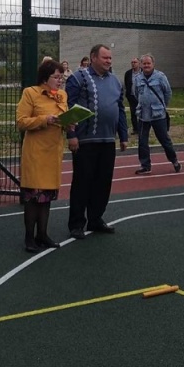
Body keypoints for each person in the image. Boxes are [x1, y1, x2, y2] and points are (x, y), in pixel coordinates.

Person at [65, 44, 129, 238]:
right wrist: (71, 135)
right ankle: (76, 223)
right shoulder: (78, 78)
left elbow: (120, 109)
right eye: (105, 58)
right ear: (93, 57)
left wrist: (123, 136)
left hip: (108, 140)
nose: (109, 61)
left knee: (103, 182)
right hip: (85, 141)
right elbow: (69, 107)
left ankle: (95, 219)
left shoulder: (116, 81)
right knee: (82, 183)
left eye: (110, 58)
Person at [16, 59, 68, 253]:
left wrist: (69, 123)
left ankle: (43, 234)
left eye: (61, 77)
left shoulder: (62, 95)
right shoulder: (30, 93)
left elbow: (64, 117)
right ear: (45, 78)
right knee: (33, 198)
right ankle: (29, 237)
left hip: (53, 152)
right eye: (56, 77)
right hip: (36, 153)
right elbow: (21, 122)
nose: (60, 80)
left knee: (47, 196)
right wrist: (44, 120)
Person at [133, 54, 180, 175]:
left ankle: (174, 160)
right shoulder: (138, 78)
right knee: (142, 142)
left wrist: (162, 106)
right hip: (143, 115)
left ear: (153, 64)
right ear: (141, 65)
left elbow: (167, 93)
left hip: (158, 115)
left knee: (164, 140)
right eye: (144, 63)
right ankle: (145, 165)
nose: (146, 65)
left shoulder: (160, 77)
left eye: (148, 63)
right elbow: (136, 93)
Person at [124, 57, 141, 135]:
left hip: (141, 96)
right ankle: (135, 129)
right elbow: (126, 84)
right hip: (131, 96)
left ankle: (142, 128)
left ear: (139, 63)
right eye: (132, 62)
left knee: (142, 113)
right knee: (133, 113)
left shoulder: (143, 72)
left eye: (135, 62)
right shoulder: (128, 73)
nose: (133, 64)